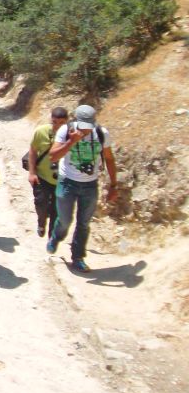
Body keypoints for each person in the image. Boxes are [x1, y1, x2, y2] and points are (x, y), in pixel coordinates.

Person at [47, 104, 118, 272]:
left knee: (84, 223)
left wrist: (114, 185)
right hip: (67, 182)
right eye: (83, 127)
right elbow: (53, 156)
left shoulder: (101, 134)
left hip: (90, 184)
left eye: (89, 127)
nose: (86, 131)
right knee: (65, 220)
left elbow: (109, 159)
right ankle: (56, 237)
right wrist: (71, 142)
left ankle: (77, 257)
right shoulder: (65, 131)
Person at [27, 107, 68, 237]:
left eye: (61, 122)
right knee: (41, 203)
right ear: (51, 120)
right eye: (55, 122)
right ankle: (41, 222)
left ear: (66, 121)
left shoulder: (71, 136)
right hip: (42, 176)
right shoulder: (41, 132)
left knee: (57, 208)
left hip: (62, 179)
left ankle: (52, 236)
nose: (58, 125)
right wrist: (32, 172)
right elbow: (33, 151)